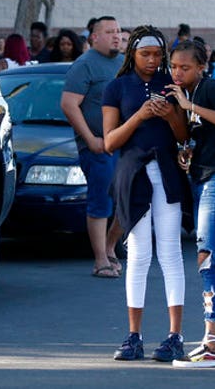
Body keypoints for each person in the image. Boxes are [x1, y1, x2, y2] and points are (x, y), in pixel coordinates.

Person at [103, 26, 189, 362]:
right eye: (145, 54)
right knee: (138, 253)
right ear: (132, 54)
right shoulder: (118, 87)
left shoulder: (173, 84)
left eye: (157, 55)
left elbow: (183, 137)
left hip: (166, 173)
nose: (153, 61)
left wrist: (170, 116)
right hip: (133, 174)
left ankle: (175, 336)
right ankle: (134, 336)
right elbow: (110, 142)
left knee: (170, 252)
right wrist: (139, 115)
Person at [166, 40, 215, 367]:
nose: (178, 72)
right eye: (174, 66)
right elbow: (206, 136)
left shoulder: (209, 88)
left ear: (201, 67)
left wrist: (189, 106)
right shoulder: (193, 93)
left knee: (207, 258)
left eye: (185, 67)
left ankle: (210, 344)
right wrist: (189, 152)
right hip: (207, 177)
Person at [60, 16, 124, 278]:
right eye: (110, 32)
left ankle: (110, 246)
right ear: (94, 37)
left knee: (131, 201)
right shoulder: (84, 65)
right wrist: (90, 139)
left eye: (119, 31)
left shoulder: (124, 64)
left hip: (125, 145)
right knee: (100, 202)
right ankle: (100, 261)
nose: (117, 36)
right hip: (98, 146)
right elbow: (68, 104)